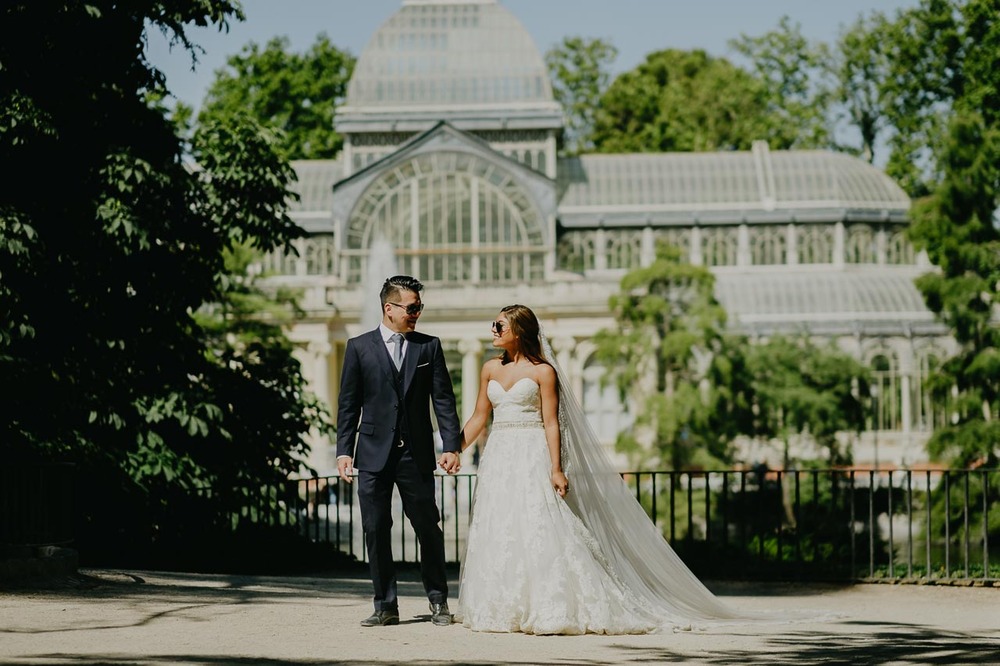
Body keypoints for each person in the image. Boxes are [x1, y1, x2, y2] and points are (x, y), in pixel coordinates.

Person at [454, 304, 757, 635]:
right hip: (499, 456)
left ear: (519, 331)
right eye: (493, 325)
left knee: (539, 523)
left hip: (531, 453)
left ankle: (550, 603)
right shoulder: (489, 369)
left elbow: (553, 423)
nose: (493, 331)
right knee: (500, 525)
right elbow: (479, 418)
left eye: (499, 326)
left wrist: (556, 468)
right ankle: (503, 605)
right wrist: (454, 448)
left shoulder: (543, 372)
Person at [336, 275, 462, 627]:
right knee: (375, 529)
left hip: (416, 454)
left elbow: (444, 401)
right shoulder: (358, 347)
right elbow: (349, 404)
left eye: (420, 307)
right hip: (373, 453)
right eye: (412, 307)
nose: (417, 313)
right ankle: (385, 606)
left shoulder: (429, 347)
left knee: (427, 527)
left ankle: (439, 601)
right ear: (389, 308)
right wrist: (344, 451)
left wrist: (451, 445)